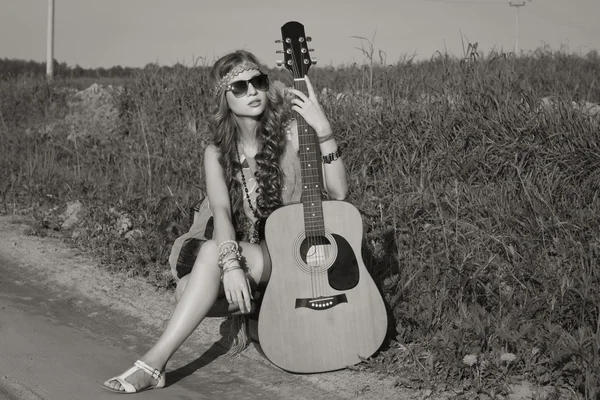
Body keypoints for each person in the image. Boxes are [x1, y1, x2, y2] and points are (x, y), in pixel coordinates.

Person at [102, 49, 348, 393]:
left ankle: (155, 363)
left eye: (258, 82)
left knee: (201, 274)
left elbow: (337, 191)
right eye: (240, 87)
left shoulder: (293, 132)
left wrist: (324, 129)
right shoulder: (217, 152)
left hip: (301, 252)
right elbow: (220, 213)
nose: (253, 92)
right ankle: (261, 304)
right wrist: (231, 264)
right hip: (265, 253)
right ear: (224, 98)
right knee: (187, 289)